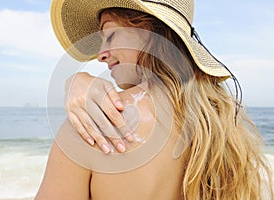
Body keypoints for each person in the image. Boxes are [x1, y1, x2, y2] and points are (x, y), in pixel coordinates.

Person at [36, 0, 273, 199]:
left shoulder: (92, 126)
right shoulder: (222, 127)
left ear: (149, 32)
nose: (101, 55)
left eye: (110, 36)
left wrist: (75, 82)